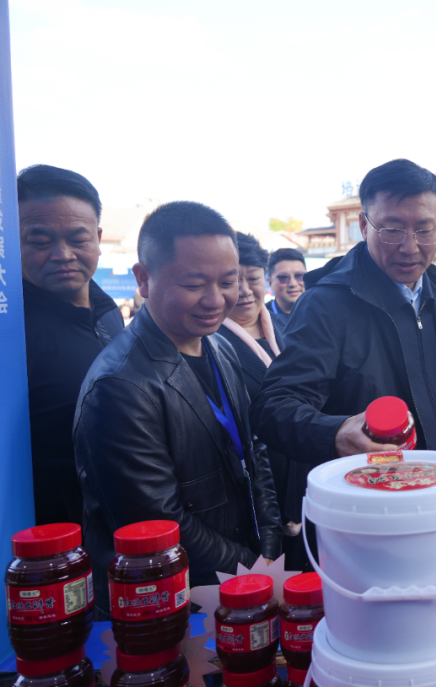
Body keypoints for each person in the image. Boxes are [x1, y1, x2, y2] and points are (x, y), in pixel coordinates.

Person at [74, 201, 282, 603]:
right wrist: (250, 569)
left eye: (228, 281)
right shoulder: (120, 385)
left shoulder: (220, 346)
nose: (216, 299)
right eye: (193, 285)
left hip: (241, 580)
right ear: (143, 279)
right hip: (166, 598)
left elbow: (255, 455)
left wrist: (270, 547)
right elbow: (158, 520)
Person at [252, 159, 436, 468]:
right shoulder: (326, 304)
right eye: (393, 229)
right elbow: (274, 407)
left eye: (425, 230)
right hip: (369, 488)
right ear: (364, 226)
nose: (410, 247)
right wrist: (335, 433)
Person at [17, 164, 125, 526]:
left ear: (97, 237)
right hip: (57, 536)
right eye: (40, 241)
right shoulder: (11, 335)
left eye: (78, 239)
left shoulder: (109, 311)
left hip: (128, 521)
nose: (63, 254)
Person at [216, 234, 307, 568]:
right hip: (258, 500)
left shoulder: (287, 330)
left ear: (264, 280)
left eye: (252, 279)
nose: (244, 291)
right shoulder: (212, 344)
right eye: (232, 281)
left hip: (302, 488)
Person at [266, 248, 306, 315]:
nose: (293, 284)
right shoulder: (257, 318)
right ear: (270, 283)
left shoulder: (320, 312)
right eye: (284, 277)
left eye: (299, 276)